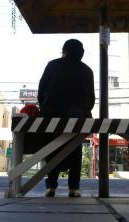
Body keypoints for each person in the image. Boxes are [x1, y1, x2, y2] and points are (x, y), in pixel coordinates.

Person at [38, 39, 95, 198]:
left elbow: (41, 91)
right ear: (81, 54)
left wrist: (46, 108)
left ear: (64, 51)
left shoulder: (52, 65)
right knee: (75, 150)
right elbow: (91, 100)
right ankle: (74, 188)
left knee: (53, 149)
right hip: (78, 119)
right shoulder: (87, 71)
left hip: (51, 117)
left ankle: (51, 187)